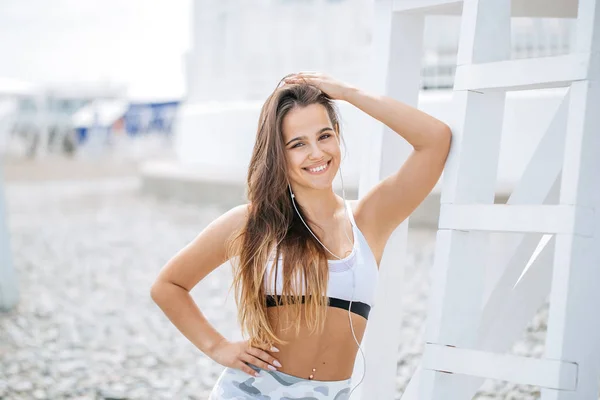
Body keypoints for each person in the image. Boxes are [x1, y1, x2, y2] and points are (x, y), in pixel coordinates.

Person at [150, 72, 451, 399]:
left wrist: (348, 93)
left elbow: (435, 139)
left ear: (337, 135)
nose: (316, 153)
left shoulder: (368, 220)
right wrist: (218, 346)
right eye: (298, 144)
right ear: (279, 154)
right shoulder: (254, 223)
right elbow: (168, 286)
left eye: (324, 136)